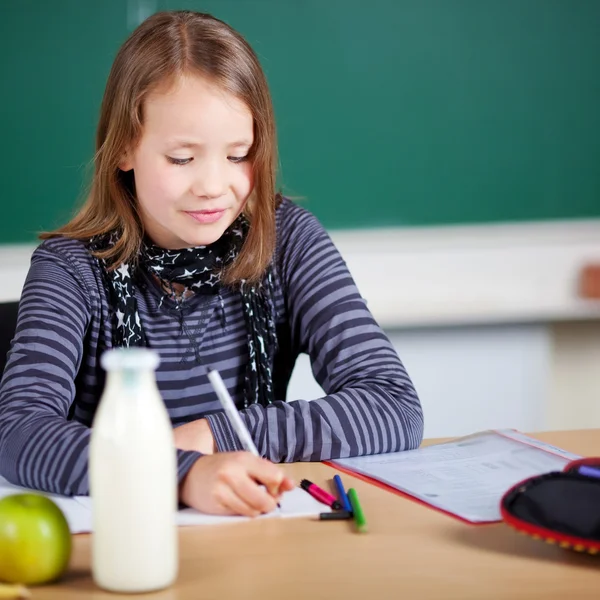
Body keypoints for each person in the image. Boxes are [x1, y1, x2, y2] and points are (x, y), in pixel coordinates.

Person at [0, 10, 423, 517]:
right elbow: (19, 434)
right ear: (125, 149)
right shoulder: (70, 270)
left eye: (239, 155)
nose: (213, 186)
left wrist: (211, 435)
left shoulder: (287, 239)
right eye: (182, 159)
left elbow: (393, 405)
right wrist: (179, 472)